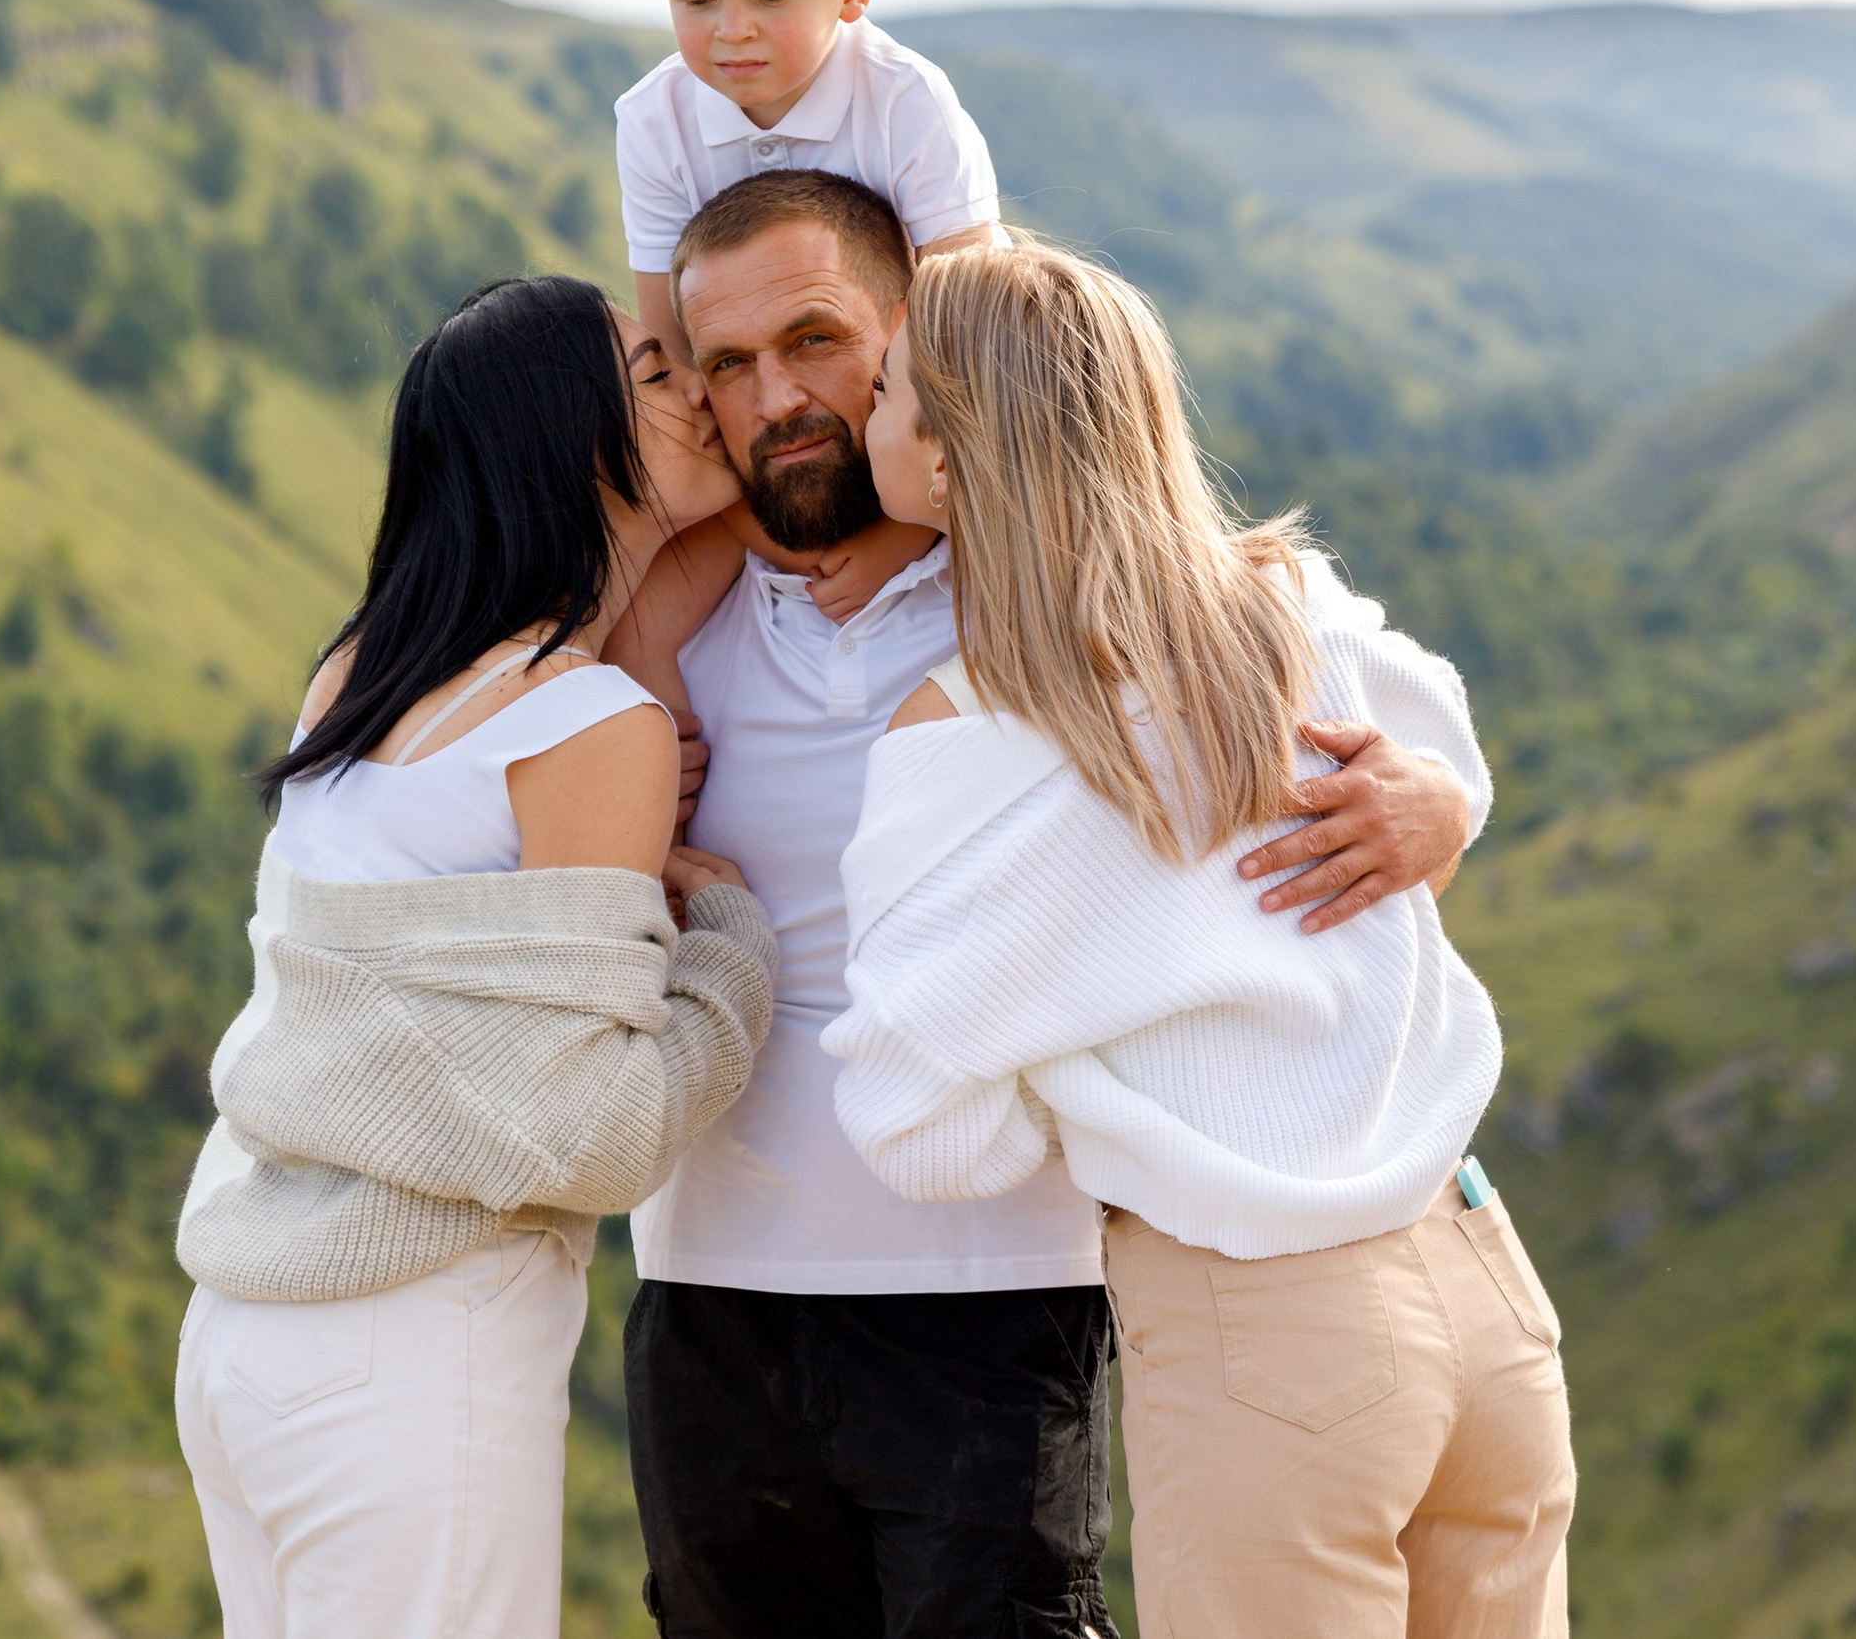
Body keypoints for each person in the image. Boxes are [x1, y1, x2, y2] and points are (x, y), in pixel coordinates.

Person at [615, 171, 1487, 1638]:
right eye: (729, 365)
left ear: (911, 352)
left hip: (995, 1297)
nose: (779, 395)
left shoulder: (1052, 603)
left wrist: (1444, 802)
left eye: (819, 342)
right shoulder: (658, 632)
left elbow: (1335, 686)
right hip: (708, 1296)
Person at [828, 239, 1575, 1638]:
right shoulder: (1291, 610)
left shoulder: (973, 735)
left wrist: (1092, 1076)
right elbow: (1445, 741)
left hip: (1269, 1329)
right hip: (1483, 1280)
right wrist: (1444, 811)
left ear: (944, 457)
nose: (862, 415)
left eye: (883, 387)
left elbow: (917, 1125)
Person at [171, 275, 778, 1639]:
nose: (701, 396)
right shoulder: (587, 724)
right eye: (657, 373)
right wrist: (728, 936)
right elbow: (597, 1128)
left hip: (244, 1327)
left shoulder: (358, 669)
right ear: (564, 430)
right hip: (413, 1335)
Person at [585, 0, 1000, 682]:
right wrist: (748, 522)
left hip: (916, 426)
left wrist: (902, 527)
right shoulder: (654, 120)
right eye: (696, 0)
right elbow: (674, 353)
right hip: (756, 435)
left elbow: (974, 329)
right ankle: (643, 724)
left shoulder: (907, 104)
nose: (730, 31)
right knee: (632, 605)